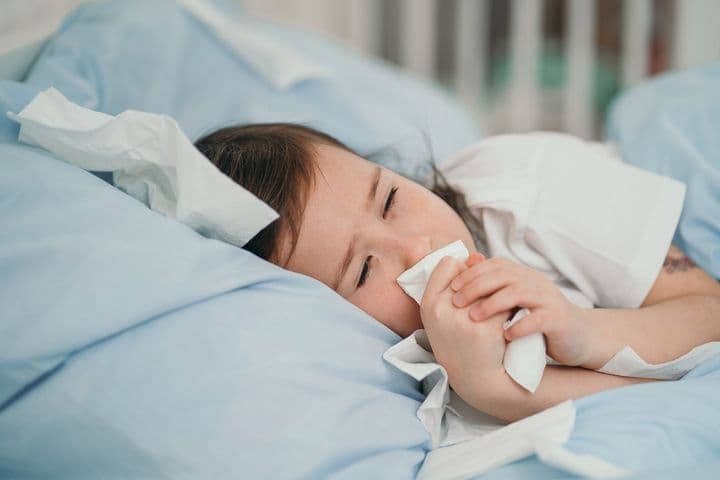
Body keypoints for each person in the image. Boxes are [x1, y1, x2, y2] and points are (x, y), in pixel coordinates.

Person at [195, 123, 720, 422]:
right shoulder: (379, 372)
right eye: (363, 271)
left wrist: (581, 331)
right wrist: (491, 389)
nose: (421, 246)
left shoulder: (525, 192)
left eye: (392, 199)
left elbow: (709, 311)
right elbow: (658, 404)